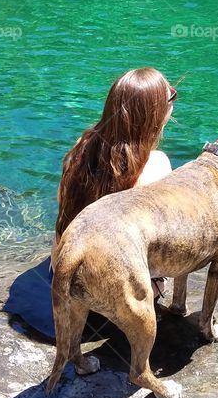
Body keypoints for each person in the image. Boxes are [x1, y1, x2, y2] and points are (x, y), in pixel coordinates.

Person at [53, 67, 176, 299]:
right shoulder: (156, 165)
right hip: (112, 295)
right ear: (154, 112)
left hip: (61, 273)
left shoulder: (82, 146)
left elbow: (62, 201)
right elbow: (166, 240)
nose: (173, 101)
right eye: (171, 96)